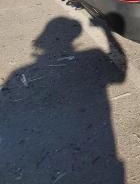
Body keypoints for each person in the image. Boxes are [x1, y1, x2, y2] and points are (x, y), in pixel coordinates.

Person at [0, 17, 127, 183]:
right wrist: (107, 33)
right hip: (99, 142)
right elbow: (120, 75)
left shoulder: (20, 71)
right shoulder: (93, 54)